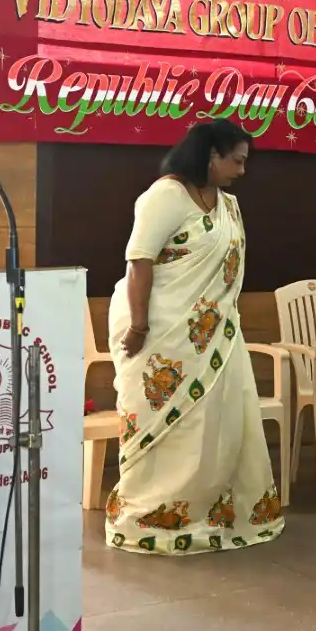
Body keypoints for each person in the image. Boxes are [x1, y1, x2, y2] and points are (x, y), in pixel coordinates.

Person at [104, 119, 283, 554]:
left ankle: (211, 514)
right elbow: (139, 262)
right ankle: (154, 517)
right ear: (211, 155)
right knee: (173, 428)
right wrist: (139, 327)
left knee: (219, 423)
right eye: (236, 160)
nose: (242, 170)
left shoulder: (228, 205)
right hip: (158, 332)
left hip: (216, 335)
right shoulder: (165, 196)